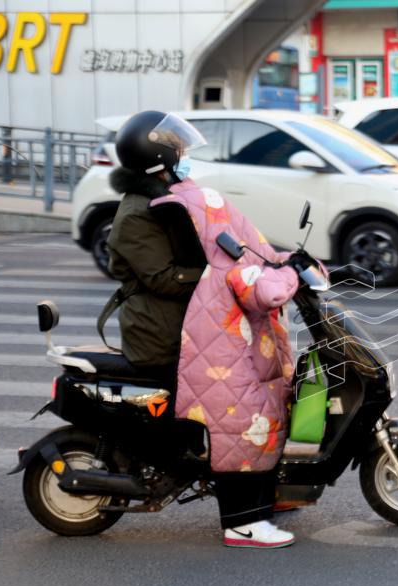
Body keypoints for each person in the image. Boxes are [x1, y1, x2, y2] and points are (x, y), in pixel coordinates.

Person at [106, 111, 297, 549]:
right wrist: (227, 276)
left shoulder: (170, 197)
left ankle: (270, 491)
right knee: (237, 405)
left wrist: (258, 263)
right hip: (164, 332)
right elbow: (162, 278)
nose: (186, 156)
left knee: (272, 385)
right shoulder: (137, 214)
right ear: (160, 157)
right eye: (180, 150)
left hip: (197, 322)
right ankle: (241, 520)